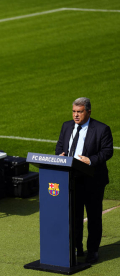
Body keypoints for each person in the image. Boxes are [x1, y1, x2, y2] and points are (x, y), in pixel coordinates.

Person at [55, 97, 113, 264]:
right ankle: (77, 247)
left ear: (88, 111)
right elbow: (60, 145)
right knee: (74, 215)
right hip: (72, 179)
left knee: (94, 217)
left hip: (93, 180)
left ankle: (93, 251)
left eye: (79, 112)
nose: (76, 115)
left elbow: (108, 151)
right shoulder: (66, 126)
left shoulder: (102, 129)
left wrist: (91, 160)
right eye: (74, 111)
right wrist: (60, 154)